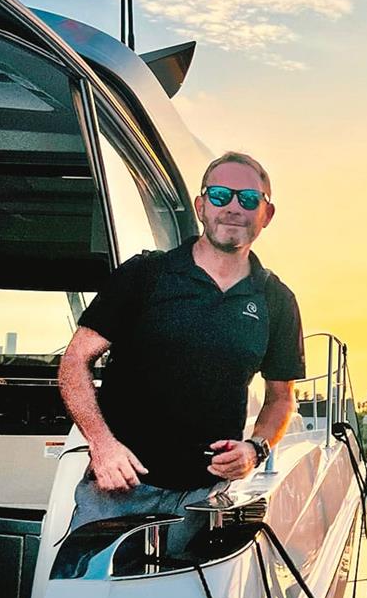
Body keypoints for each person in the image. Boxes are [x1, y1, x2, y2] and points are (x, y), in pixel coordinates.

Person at [58, 150, 305, 549]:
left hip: (205, 501)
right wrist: (102, 447)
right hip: (118, 493)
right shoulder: (146, 275)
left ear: (267, 214)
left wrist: (255, 449)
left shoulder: (277, 300)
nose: (233, 208)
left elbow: (280, 399)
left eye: (248, 199)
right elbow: (74, 362)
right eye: (221, 195)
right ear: (201, 206)